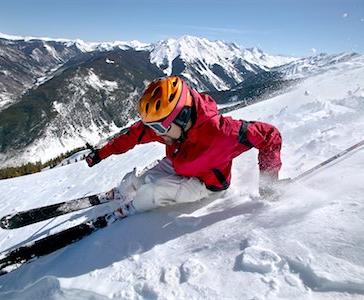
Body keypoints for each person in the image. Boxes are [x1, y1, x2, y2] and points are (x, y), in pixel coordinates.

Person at [86, 76, 282, 216]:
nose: (156, 132)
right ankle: (122, 192)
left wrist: (269, 183)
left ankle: (132, 207)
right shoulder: (170, 129)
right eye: (151, 126)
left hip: (205, 184)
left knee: (153, 189)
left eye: (158, 126)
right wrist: (101, 153)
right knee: (137, 180)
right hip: (178, 163)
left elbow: (269, 135)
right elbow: (133, 135)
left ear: (183, 117)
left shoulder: (222, 132)